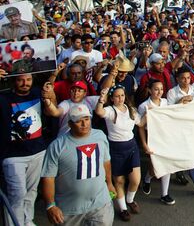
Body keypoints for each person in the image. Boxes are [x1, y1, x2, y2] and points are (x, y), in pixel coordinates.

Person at [40, 105, 116, 226]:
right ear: (70, 124)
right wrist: (50, 205)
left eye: (86, 119)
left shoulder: (100, 136)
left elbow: (106, 162)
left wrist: (110, 183)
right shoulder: (57, 146)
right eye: (78, 120)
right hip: (69, 211)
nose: (84, 124)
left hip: (101, 205)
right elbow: (48, 177)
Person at [0, 74, 48, 226]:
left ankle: (28, 220)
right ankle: (15, 223)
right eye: (20, 80)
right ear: (14, 80)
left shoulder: (37, 92)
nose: (24, 83)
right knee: (17, 194)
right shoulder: (4, 98)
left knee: (32, 192)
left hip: (38, 151)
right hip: (13, 155)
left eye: (28, 80)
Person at [95, 85, 142, 222]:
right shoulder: (110, 110)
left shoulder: (132, 110)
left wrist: (154, 112)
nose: (120, 98)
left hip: (132, 147)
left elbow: (142, 123)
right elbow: (99, 112)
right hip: (116, 149)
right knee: (119, 181)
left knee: (135, 180)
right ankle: (123, 209)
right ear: (112, 98)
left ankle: (130, 199)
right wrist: (101, 100)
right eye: (117, 96)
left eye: (122, 95)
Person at [137, 79, 176, 205]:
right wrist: (144, 144)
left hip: (165, 136)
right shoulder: (143, 106)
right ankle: (147, 179)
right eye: (156, 89)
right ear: (149, 90)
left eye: (161, 89)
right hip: (152, 137)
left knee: (166, 165)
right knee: (155, 167)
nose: (159, 92)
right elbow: (141, 127)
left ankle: (164, 194)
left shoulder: (165, 102)